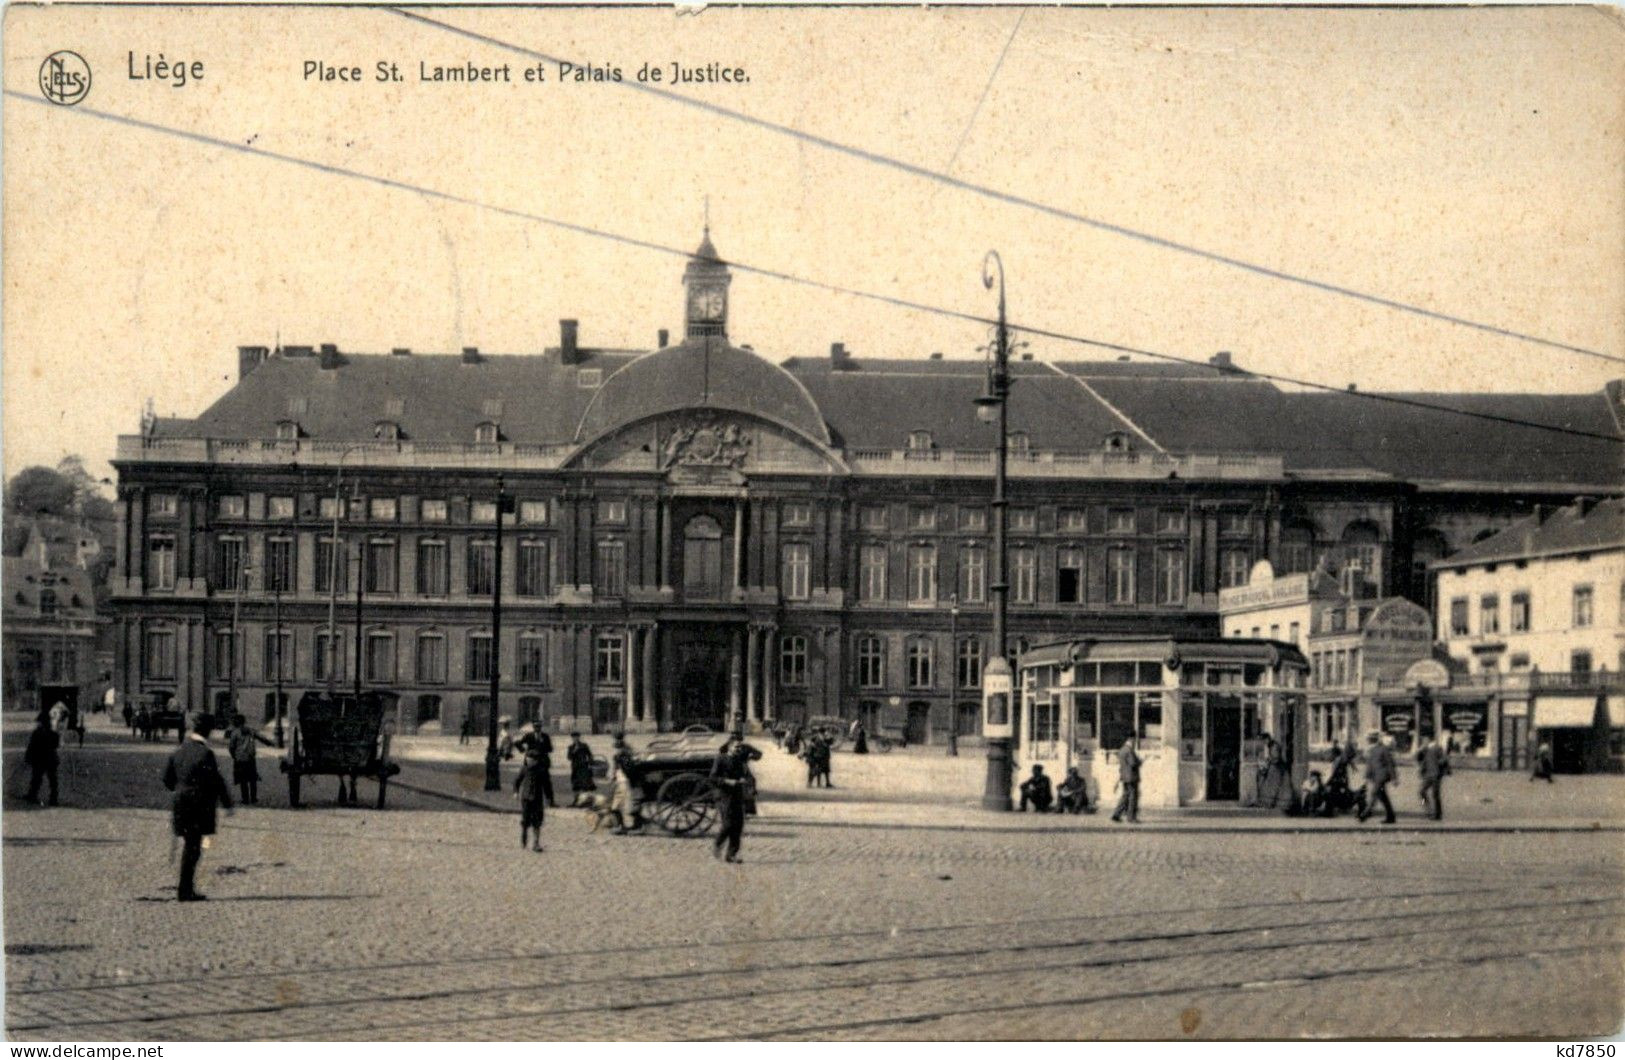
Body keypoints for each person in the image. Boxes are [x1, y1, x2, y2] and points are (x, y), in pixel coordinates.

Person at [162, 714, 233, 902]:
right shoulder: (206, 753)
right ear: (208, 731)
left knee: (190, 845)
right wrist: (227, 804)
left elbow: (167, 780)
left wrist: (180, 790)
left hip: (180, 805)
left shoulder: (178, 750)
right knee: (193, 848)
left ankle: (186, 888)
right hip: (198, 807)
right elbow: (216, 781)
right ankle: (185, 890)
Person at [710, 736, 763, 863]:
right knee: (728, 824)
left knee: (738, 826)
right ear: (729, 746)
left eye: (740, 747)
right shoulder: (720, 759)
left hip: (737, 795)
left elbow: (746, 773)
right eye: (736, 747)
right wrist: (728, 781)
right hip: (724, 795)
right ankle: (717, 845)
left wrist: (746, 782)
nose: (739, 749)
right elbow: (713, 778)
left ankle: (731, 855)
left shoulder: (740, 760)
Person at [224, 713, 273, 805]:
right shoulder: (250, 731)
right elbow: (261, 738)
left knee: (243, 780)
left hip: (240, 759)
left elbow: (231, 747)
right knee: (252, 779)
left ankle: (245, 799)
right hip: (250, 758)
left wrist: (234, 756)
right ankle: (253, 798)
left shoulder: (235, 733)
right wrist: (270, 743)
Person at [1356, 732, 1398, 825]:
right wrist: (1367, 777)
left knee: (1374, 793)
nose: (1368, 740)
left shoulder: (1383, 749)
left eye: (1370, 738)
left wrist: (1394, 778)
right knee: (1383, 797)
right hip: (1376, 777)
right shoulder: (1372, 750)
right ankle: (1391, 816)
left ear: (1374, 739)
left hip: (1381, 776)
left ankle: (1365, 814)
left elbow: (1390, 764)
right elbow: (1370, 765)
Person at [513, 745, 547, 851]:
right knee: (525, 820)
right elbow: (516, 781)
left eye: (530, 760)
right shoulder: (524, 769)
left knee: (537, 821)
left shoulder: (541, 771)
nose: (528, 761)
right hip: (526, 799)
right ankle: (524, 837)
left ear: (536, 761)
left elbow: (547, 785)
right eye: (527, 759)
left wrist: (549, 798)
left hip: (537, 799)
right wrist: (515, 792)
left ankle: (536, 843)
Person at [609, 732, 644, 834]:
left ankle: (635, 827)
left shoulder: (623, 756)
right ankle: (623, 826)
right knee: (617, 806)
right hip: (622, 781)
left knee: (625, 805)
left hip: (626, 782)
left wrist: (613, 775)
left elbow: (628, 770)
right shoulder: (623, 754)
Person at [23, 712, 60, 806]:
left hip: (39, 759)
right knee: (52, 780)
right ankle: (53, 798)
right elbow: (56, 744)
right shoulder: (53, 732)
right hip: (50, 759)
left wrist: (28, 757)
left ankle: (32, 795)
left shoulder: (37, 733)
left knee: (36, 778)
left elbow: (31, 746)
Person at [515, 724, 557, 806]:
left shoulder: (545, 736)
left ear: (541, 728)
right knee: (530, 780)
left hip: (542, 763)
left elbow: (550, 748)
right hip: (531, 761)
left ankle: (550, 801)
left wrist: (542, 749)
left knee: (546, 782)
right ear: (533, 728)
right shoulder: (528, 736)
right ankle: (531, 798)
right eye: (535, 727)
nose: (537, 729)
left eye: (539, 727)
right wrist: (523, 750)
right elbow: (518, 743)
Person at [1416, 735, 1450, 821]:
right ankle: (1429, 810)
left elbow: (1444, 759)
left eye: (1425, 741)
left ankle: (1437, 814)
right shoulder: (1425, 750)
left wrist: (1437, 764)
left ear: (1429, 740)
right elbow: (1417, 758)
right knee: (1422, 791)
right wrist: (1420, 750)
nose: (1423, 742)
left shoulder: (1437, 748)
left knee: (1435, 794)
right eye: (1423, 741)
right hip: (1428, 775)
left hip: (1436, 774)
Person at [1111, 738, 1142, 823]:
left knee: (1125, 796)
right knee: (1132, 797)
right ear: (1131, 742)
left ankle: (1116, 814)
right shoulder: (1129, 751)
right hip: (1132, 777)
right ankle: (1131, 817)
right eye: (1134, 743)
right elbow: (1133, 763)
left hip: (1124, 777)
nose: (1134, 745)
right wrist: (1140, 761)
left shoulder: (1121, 750)